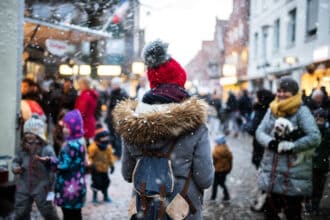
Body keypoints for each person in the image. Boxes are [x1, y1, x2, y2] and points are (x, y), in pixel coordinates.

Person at [113, 40, 214, 219]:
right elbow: (205, 178)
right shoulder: (196, 126)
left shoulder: (131, 122)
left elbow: (128, 174)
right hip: (181, 210)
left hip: (145, 209)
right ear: (180, 84)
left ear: (153, 84)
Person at [256, 76, 321, 220]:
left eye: (285, 91)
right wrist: (270, 142)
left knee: (293, 214)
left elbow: (315, 137)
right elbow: (259, 132)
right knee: (270, 213)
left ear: (294, 93)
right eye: (279, 90)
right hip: (272, 174)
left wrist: (293, 146)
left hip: (293, 176)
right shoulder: (272, 109)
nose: (281, 94)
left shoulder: (301, 111)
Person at [37, 110, 87, 220]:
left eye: (66, 127)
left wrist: (49, 161)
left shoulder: (69, 146)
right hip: (79, 186)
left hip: (69, 188)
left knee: (68, 214)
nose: (63, 129)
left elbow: (64, 164)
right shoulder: (80, 143)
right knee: (77, 214)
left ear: (73, 128)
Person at [12, 116, 59, 220]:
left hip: (41, 185)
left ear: (38, 134)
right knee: (21, 211)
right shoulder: (22, 148)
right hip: (24, 185)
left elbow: (55, 164)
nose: (28, 135)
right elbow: (15, 161)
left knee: (47, 210)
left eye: (31, 133)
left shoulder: (46, 148)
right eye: (26, 133)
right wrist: (15, 168)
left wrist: (48, 160)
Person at [309, 108, 330, 214]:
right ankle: (310, 204)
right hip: (310, 163)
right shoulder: (309, 130)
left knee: (318, 187)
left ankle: (315, 206)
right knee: (310, 185)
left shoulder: (327, 132)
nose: (318, 121)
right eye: (316, 118)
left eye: (320, 119)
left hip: (321, 164)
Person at [88, 124, 115, 203]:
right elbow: (90, 157)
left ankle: (105, 195)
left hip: (105, 169)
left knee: (106, 182)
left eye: (106, 137)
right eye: (103, 137)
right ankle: (94, 197)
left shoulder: (108, 147)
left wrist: (112, 165)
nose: (105, 139)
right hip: (96, 169)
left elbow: (110, 157)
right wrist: (90, 164)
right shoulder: (94, 147)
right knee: (96, 183)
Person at [105, 77, 128, 159]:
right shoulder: (113, 93)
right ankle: (114, 152)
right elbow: (110, 107)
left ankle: (118, 154)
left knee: (117, 137)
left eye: (114, 84)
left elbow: (121, 107)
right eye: (112, 84)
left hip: (117, 119)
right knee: (112, 136)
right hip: (111, 118)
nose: (113, 86)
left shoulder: (122, 93)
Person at [75, 77, 99, 145]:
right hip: (89, 122)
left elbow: (81, 112)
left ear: (85, 85)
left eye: (80, 84)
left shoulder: (85, 96)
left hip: (84, 123)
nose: (79, 86)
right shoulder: (90, 94)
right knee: (87, 142)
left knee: (84, 144)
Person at [210, 135, 233, 201]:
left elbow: (213, 161)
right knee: (222, 183)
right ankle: (226, 195)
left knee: (215, 184)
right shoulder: (227, 149)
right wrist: (229, 169)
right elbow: (230, 161)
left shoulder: (216, 150)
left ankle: (213, 197)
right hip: (225, 170)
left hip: (217, 170)